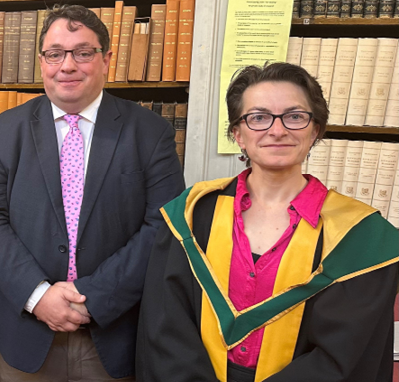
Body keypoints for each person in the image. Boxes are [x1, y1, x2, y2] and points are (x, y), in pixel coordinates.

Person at [136, 62, 399, 382]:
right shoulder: (191, 216)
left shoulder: (360, 237)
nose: (277, 130)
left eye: (295, 116)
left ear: (314, 130)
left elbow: (346, 354)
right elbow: (166, 327)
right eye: (258, 117)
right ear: (238, 134)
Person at [0, 4, 185, 381]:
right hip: (25, 332)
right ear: (42, 62)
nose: (67, 66)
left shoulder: (150, 133)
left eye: (83, 52)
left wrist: (95, 298)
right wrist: (38, 296)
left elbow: (162, 225)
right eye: (55, 54)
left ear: (107, 60)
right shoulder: (5, 131)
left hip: (113, 333)